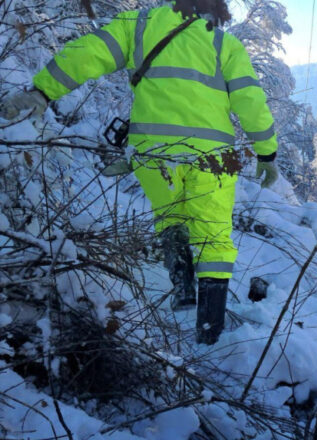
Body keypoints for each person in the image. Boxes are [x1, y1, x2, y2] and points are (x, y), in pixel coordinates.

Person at [0, 0, 279, 345]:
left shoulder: (139, 24)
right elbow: (251, 102)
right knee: (214, 238)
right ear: (216, 9)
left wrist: (43, 90)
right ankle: (210, 333)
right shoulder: (225, 44)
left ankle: (183, 291)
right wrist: (267, 152)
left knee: (171, 216)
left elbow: (88, 52)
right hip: (212, 158)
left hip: (153, 152)